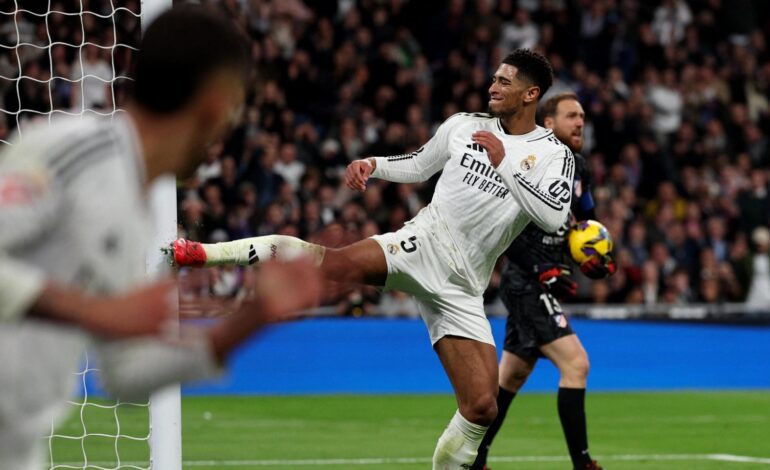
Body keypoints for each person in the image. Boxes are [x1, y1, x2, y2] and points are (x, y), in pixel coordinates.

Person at [172, 48, 574, 469]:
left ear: (530, 94)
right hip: (423, 246)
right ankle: (201, 253)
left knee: (481, 408)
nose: (492, 86)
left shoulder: (553, 155)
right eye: (493, 78)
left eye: (504, 82)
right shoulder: (464, 126)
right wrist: (374, 164)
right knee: (334, 264)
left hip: (464, 287)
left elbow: (551, 217)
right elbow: (420, 164)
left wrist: (504, 162)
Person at [0, 6, 320, 469]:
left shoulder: (135, 213)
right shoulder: (74, 151)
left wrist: (247, 322)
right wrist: (97, 312)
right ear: (215, 101)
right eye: (237, 102)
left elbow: (125, 375)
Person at [472, 93, 614, 470]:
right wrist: (541, 270)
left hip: (543, 281)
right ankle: (582, 463)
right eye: (571, 116)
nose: (580, 122)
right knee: (576, 364)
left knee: (513, 376)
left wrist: (593, 258)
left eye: (583, 115)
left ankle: (474, 456)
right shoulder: (531, 162)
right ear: (548, 123)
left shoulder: (579, 168)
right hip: (525, 280)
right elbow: (506, 230)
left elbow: (585, 225)